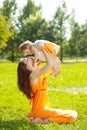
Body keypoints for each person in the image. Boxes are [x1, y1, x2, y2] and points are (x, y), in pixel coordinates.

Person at [17, 49, 78, 124]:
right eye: (27, 60)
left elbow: (51, 64)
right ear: (27, 67)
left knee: (72, 113)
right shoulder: (33, 76)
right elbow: (49, 65)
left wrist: (53, 57)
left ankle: (39, 119)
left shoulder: (35, 72)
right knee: (72, 115)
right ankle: (46, 121)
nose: (29, 57)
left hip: (41, 109)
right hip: (40, 110)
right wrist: (43, 49)